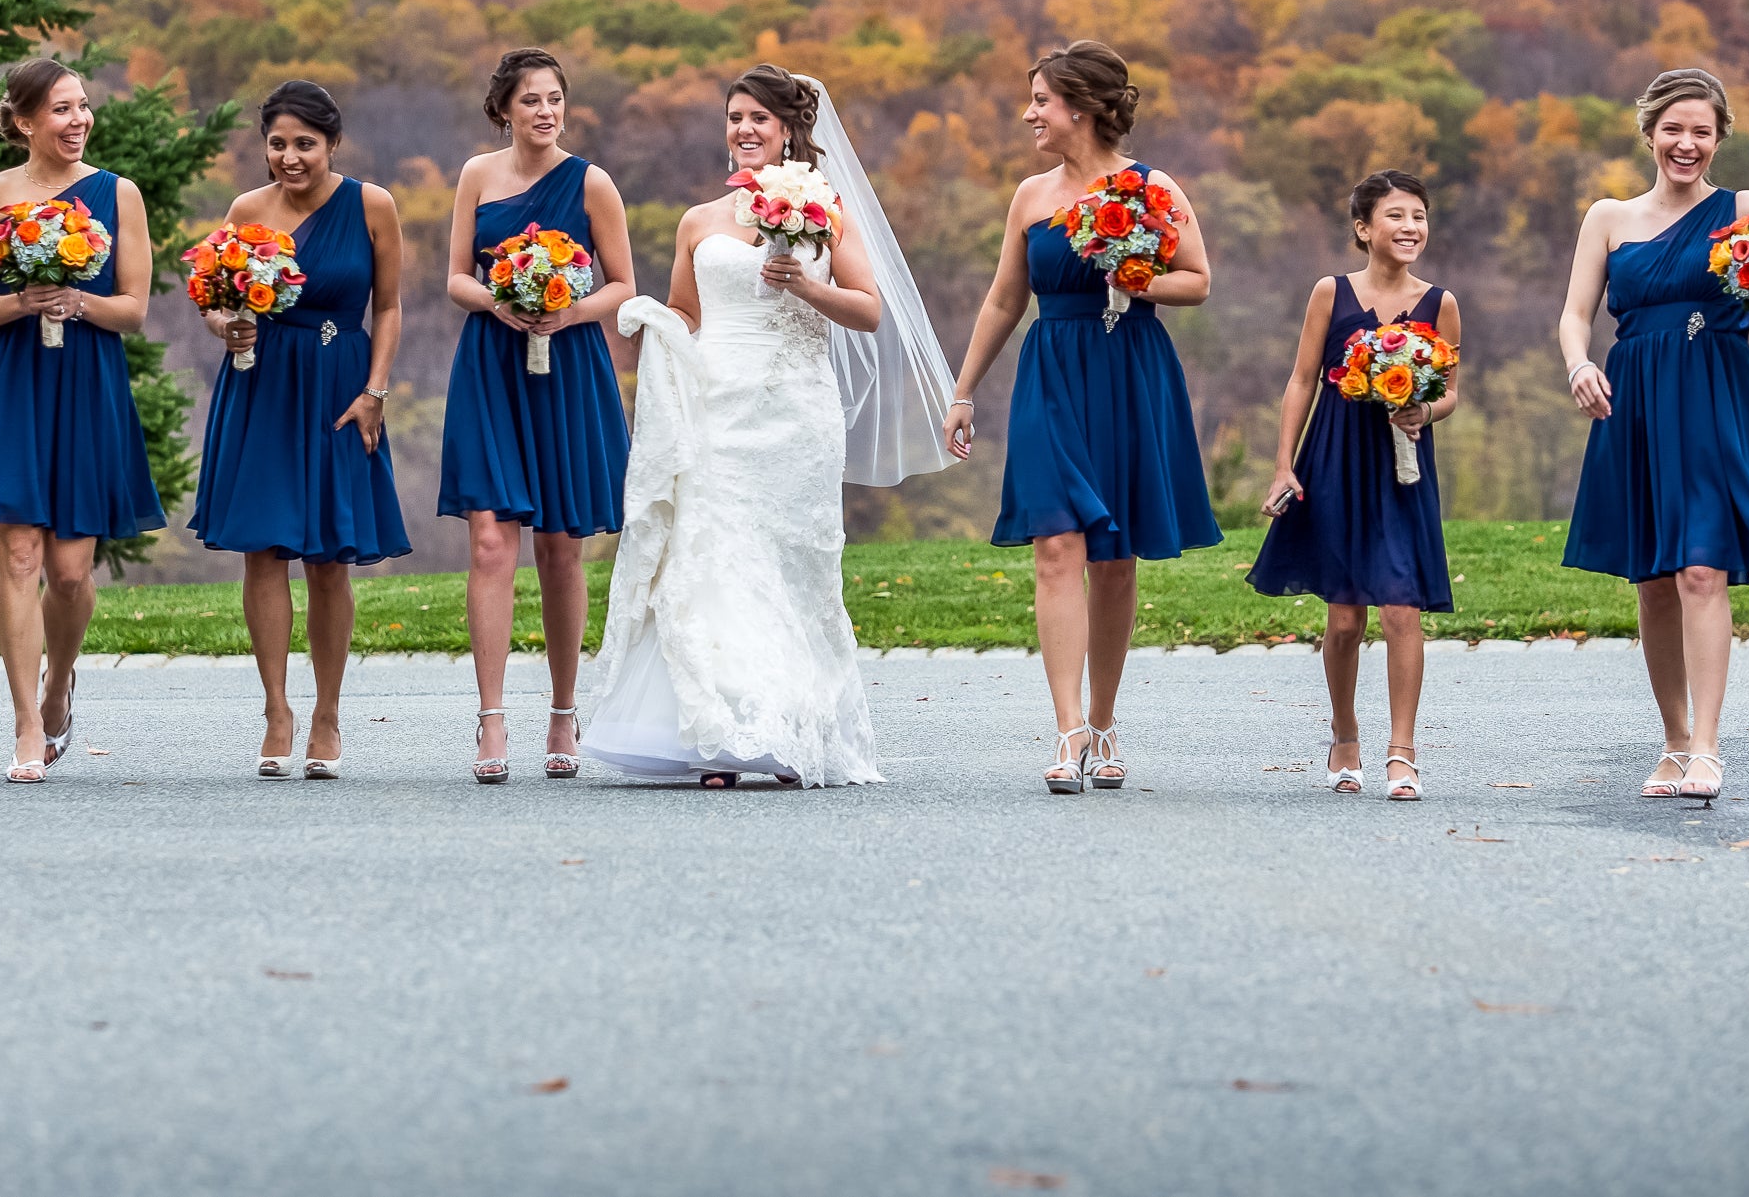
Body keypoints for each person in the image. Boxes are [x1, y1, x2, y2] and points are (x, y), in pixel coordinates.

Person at [583, 66, 956, 787]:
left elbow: (870, 309)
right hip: (717, 405)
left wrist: (810, 287)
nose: (744, 129)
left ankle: (791, 729)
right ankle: (719, 737)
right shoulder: (699, 221)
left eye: (757, 117)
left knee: (792, 565)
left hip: (795, 409)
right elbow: (689, 312)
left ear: (787, 129)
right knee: (710, 557)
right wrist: (656, 326)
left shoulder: (823, 208)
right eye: (734, 117)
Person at [940, 41, 1219, 793]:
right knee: (1055, 545)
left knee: (1115, 555)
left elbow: (1198, 279)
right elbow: (1005, 298)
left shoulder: (1152, 186)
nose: (1030, 113)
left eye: (1041, 100)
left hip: (1129, 367)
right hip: (1051, 369)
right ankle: (1065, 731)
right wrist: (962, 389)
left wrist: (1135, 272)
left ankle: (1103, 720)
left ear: (1084, 107)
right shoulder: (1029, 197)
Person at [1559, 68, 1749, 808]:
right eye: (1673, 129)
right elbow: (1575, 315)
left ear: (1720, 138)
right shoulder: (1607, 217)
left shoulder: (1746, 208)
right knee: (1654, 579)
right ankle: (1671, 737)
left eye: (1701, 131)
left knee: (1702, 569)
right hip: (1633, 395)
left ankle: (1707, 747)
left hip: (1712, 393)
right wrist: (1578, 365)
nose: (1685, 143)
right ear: (1649, 133)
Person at [0, 57, 164, 784]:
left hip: (85, 382)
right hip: (6, 379)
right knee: (21, 558)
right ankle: (26, 723)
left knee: (69, 573)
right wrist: (25, 300)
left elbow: (133, 308)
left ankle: (59, 683)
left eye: (83, 106)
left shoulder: (117, 193)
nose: (78, 120)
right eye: (61, 109)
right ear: (25, 121)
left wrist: (76, 303)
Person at [189, 80, 408, 780]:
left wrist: (375, 391)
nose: (289, 156)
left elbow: (393, 306)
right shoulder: (246, 209)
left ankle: (328, 714)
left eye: (304, 144)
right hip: (262, 385)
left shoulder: (373, 205)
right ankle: (276, 709)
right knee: (264, 551)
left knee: (328, 558)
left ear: (332, 143)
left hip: (340, 384)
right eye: (278, 143)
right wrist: (226, 324)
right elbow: (213, 302)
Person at [439, 48, 633, 783]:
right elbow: (456, 276)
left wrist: (562, 310)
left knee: (559, 544)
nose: (545, 112)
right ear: (504, 109)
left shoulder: (593, 182)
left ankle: (562, 710)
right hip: (492, 362)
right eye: (530, 101)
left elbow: (622, 284)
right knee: (491, 540)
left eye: (554, 99)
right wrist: (503, 299)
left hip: (568, 365)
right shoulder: (475, 176)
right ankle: (491, 717)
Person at [1252, 170, 1460, 800]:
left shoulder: (1441, 304)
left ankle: (1402, 751)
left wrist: (1423, 411)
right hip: (1335, 458)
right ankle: (1344, 733)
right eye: (1396, 216)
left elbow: (1450, 392)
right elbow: (1302, 380)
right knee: (1344, 618)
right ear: (1364, 229)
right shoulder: (1330, 292)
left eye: (1419, 216)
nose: (1411, 228)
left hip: (1402, 470)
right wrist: (1285, 463)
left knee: (1401, 607)